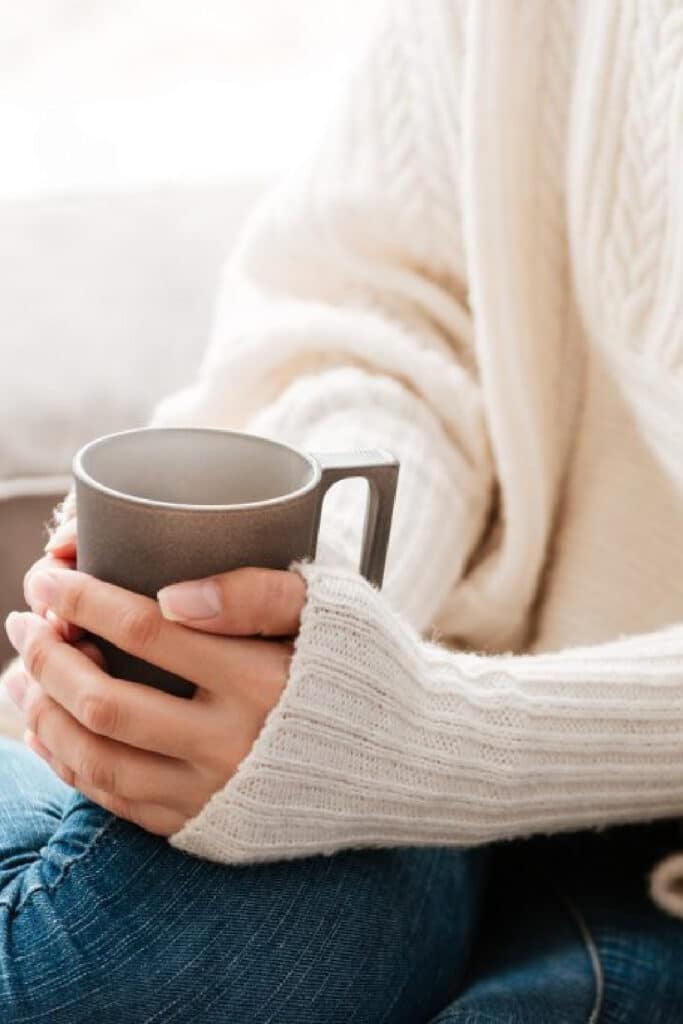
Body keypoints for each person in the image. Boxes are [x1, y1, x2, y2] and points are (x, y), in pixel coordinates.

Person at [2, 0, 683, 1019]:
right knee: (127, 944)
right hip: (425, 723)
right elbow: (382, 305)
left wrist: (443, 739)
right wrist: (316, 601)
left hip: (542, 780)